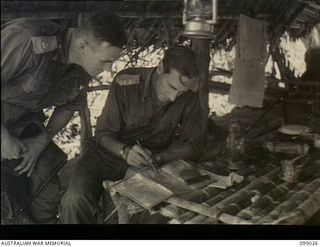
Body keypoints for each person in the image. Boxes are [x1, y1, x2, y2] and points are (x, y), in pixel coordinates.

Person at [1, 11, 127, 224]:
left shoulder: (81, 68)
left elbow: (68, 107)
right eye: (105, 61)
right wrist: (3, 138)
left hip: (24, 130)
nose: (109, 69)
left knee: (45, 188)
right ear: (82, 46)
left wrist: (42, 141)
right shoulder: (28, 39)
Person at [59, 46, 205, 224]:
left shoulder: (189, 95)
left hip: (149, 163)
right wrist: (125, 152)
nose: (174, 97)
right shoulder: (127, 82)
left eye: (181, 91)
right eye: (171, 87)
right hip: (106, 155)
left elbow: (194, 146)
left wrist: (160, 157)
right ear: (160, 68)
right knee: (75, 200)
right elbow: (104, 134)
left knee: (157, 212)